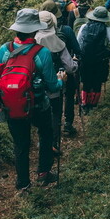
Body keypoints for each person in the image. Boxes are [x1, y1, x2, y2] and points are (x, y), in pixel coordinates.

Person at [0, 9, 67, 191]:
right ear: (35, 30)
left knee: (20, 144)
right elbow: (52, 86)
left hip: (13, 106)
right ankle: (43, 173)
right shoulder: (42, 52)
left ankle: (23, 184)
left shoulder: (4, 50)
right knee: (45, 134)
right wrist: (61, 81)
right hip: (38, 105)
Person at [36, 11, 78, 151]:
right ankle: (53, 143)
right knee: (55, 113)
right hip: (54, 86)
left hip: (35, 88)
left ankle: (41, 140)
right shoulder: (57, 42)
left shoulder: (32, 41)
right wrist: (76, 64)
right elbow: (70, 67)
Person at [40, 0, 81, 135]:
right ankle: (68, 124)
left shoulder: (35, 36)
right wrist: (74, 61)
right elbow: (78, 50)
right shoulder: (67, 30)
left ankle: (49, 129)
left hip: (44, 74)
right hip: (65, 67)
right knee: (69, 94)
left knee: (51, 100)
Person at [76, 6, 110, 113]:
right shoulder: (106, 29)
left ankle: (85, 105)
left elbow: (78, 43)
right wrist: (109, 55)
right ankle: (93, 104)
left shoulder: (84, 26)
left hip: (85, 60)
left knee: (86, 82)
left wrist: (80, 55)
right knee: (97, 82)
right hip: (100, 61)